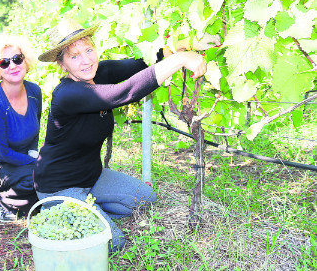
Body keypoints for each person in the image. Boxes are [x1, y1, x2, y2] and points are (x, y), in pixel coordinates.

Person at [34, 19, 219, 251]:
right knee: (113, 243)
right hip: (58, 187)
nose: (86, 60)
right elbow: (125, 92)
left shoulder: (98, 72)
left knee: (145, 199)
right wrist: (180, 60)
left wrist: (185, 45)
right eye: (74, 56)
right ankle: (59, 211)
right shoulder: (67, 94)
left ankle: (88, 210)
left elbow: (140, 64)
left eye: (89, 50)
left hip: (91, 178)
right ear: (62, 64)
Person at [0, 33, 42, 222]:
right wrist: (36, 164)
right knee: (38, 178)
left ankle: (21, 194)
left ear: (25, 60)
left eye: (17, 59)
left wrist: (36, 157)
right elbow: (3, 153)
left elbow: (35, 133)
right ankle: (1, 200)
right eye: (4, 62)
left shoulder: (34, 92)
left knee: (49, 175)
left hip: (19, 158)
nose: (12, 65)